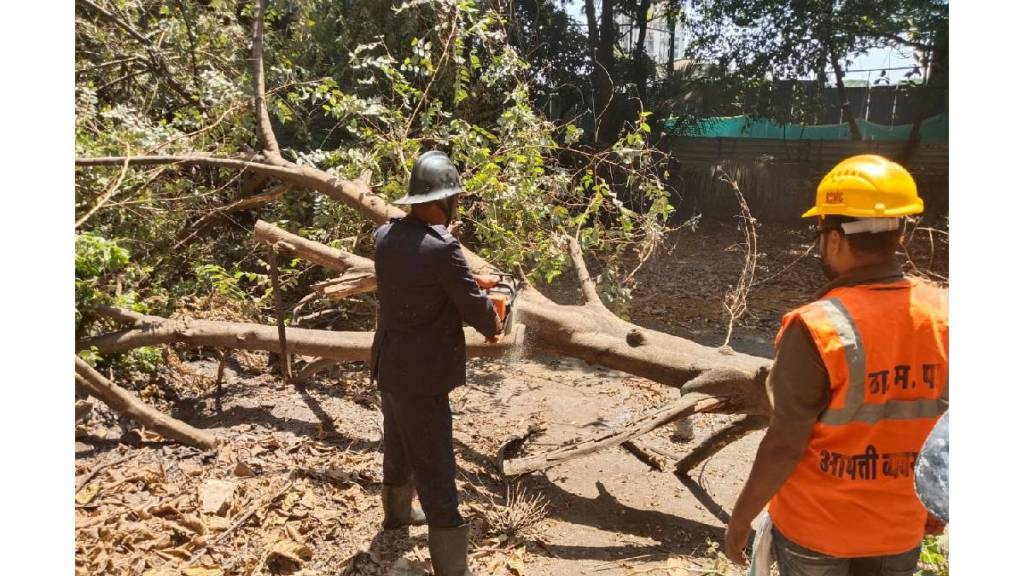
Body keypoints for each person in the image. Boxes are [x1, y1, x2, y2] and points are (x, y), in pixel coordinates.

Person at [723, 154, 949, 575]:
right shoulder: (946, 317)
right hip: (900, 529)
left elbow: (784, 443)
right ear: (900, 235)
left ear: (834, 239)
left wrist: (739, 521)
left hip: (817, 531)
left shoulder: (817, 327)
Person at [371, 150, 503, 576]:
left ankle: (396, 516)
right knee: (435, 463)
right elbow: (479, 313)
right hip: (423, 375)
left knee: (398, 444)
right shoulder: (443, 248)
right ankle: (452, 565)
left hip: (389, 363)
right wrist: (493, 315)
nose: (456, 208)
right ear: (441, 202)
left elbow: (421, 280)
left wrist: (470, 280)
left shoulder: (384, 236)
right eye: (455, 200)